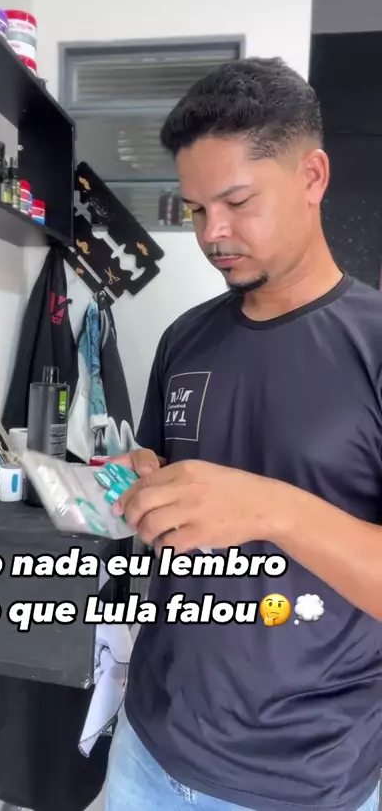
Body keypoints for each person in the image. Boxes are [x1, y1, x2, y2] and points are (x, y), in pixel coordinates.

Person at [103, 57, 382, 811]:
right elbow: (169, 480)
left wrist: (270, 509)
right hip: (149, 745)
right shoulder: (185, 338)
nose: (212, 234)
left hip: (302, 782)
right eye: (195, 209)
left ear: (312, 176)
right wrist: (140, 479)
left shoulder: (372, 344)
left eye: (236, 201)